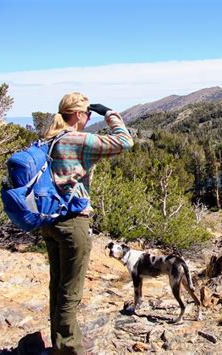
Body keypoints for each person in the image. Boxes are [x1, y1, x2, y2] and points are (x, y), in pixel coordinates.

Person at [40, 92, 133, 354]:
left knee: (57, 285)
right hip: (72, 222)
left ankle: (62, 343)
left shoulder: (50, 138)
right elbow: (125, 142)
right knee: (71, 292)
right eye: (88, 114)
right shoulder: (77, 139)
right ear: (80, 115)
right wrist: (110, 113)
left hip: (49, 220)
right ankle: (70, 349)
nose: (89, 117)